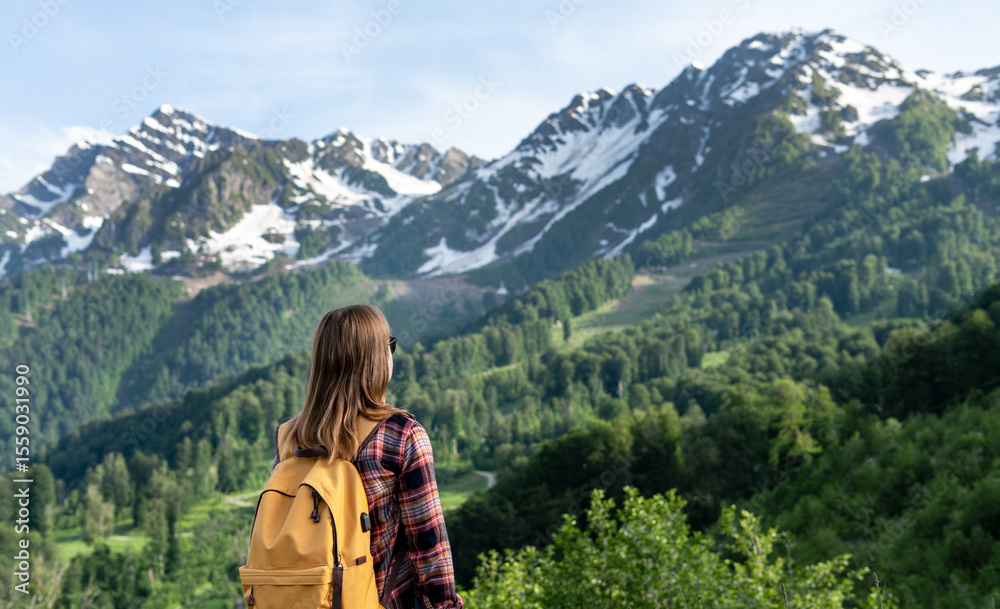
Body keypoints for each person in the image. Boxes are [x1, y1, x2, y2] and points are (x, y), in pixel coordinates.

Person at [272, 304, 464, 609]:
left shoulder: (290, 436)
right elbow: (429, 549)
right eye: (391, 346)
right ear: (378, 359)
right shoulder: (401, 435)